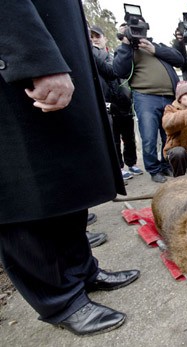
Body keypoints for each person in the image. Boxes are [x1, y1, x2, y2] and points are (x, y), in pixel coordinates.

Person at [0, 1, 139, 336]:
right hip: (19, 67)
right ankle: (59, 298)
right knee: (26, 186)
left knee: (67, 180)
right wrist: (36, 58)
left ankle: (81, 271)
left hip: (55, 55)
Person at [113, 23, 185, 183]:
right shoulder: (126, 50)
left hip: (169, 97)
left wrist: (155, 50)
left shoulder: (157, 46)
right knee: (149, 137)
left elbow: (180, 60)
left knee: (170, 135)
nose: (137, 33)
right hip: (145, 98)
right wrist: (126, 44)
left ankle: (167, 164)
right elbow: (119, 71)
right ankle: (154, 170)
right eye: (132, 30)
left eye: (139, 29)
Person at [90, 25, 143, 183]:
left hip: (124, 102)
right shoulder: (92, 55)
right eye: (91, 37)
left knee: (129, 137)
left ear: (105, 37)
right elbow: (109, 72)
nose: (94, 40)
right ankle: (119, 168)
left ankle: (131, 163)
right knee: (114, 138)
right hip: (107, 103)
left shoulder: (115, 54)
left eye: (97, 36)